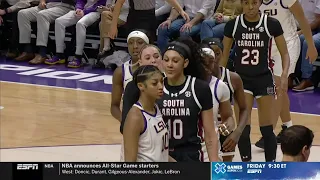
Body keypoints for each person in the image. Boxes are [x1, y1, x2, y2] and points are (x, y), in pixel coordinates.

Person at [221, 0, 290, 162]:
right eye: (246, 3)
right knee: (243, 129)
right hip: (241, 81)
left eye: (254, 3)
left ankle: (270, 166)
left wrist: (285, 75)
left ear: (260, 3)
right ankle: (246, 166)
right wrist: (219, 80)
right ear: (241, 4)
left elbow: (285, 54)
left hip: (264, 79)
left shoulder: (271, 24)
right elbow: (224, 55)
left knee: (267, 130)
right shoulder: (233, 25)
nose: (250, 7)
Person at [257, 0, 318, 148]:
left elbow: (303, 19)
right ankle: (287, 128)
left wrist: (311, 45)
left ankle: (268, 134)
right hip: (270, 47)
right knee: (281, 90)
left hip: (289, 44)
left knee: (278, 88)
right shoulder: (256, 2)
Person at [157, 37, 220, 162]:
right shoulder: (156, 87)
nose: (169, 65)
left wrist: (214, 160)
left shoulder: (199, 88)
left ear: (185, 63)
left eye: (175, 61)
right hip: (161, 153)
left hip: (191, 154)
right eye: (166, 60)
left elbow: (209, 132)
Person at [200, 39, 249, 162]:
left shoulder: (232, 78)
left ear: (223, 53)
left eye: (218, 53)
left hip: (224, 130)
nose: (215, 58)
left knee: (224, 171)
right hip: (202, 131)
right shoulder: (195, 79)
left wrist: (237, 132)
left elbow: (244, 108)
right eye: (211, 54)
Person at [122, 65, 175, 162]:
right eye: (155, 83)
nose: (160, 87)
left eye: (162, 82)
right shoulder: (135, 117)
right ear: (141, 86)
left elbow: (158, 153)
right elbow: (130, 163)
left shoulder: (156, 108)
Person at [44, 0, 105, 68]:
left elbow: (101, 4)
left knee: (80, 24)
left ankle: (78, 56)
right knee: (59, 21)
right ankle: (59, 54)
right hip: (82, 10)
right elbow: (80, 1)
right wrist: (78, 9)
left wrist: (84, 11)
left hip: (95, 12)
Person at [121, 44, 163, 132]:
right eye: (148, 58)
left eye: (156, 57)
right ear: (140, 62)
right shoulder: (132, 86)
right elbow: (125, 126)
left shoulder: (171, 82)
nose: (153, 60)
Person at [110, 29, 150, 122]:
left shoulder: (156, 69)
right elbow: (114, 106)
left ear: (147, 45)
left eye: (140, 43)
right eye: (131, 43)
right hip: (132, 122)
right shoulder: (120, 72)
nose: (135, 46)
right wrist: (124, 121)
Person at [108, 0, 188, 43]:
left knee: (148, 44)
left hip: (150, 17)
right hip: (134, 17)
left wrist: (180, 10)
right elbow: (119, 4)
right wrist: (113, 25)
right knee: (134, 44)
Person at [93, 0, 129, 69]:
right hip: (112, 16)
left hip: (124, 17)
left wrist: (114, 7)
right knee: (101, 24)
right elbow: (109, 6)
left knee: (105, 15)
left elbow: (127, 7)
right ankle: (103, 54)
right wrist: (107, 8)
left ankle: (105, 48)